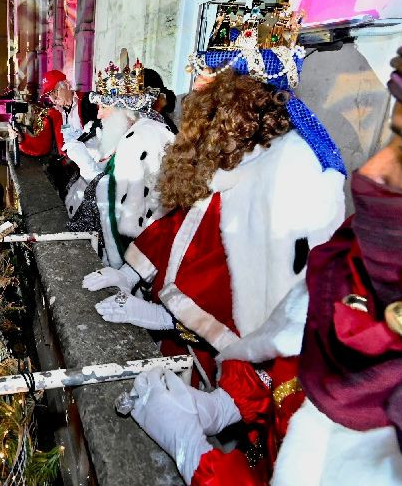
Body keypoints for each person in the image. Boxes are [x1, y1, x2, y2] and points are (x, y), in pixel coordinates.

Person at [128, 0, 402, 485]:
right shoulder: (366, 273)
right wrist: (226, 406)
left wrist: (199, 457)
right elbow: (288, 351)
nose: (372, 175)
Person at [89, 27, 346, 483]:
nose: (192, 101)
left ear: (236, 102)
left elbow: (282, 325)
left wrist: (217, 411)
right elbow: (183, 228)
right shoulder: (236, 160)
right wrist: (132, 275)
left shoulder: (288, 178)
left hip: (230, 367)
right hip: (204, 353)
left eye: (207, 88)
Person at [66, 55, 176, 267]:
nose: (99, 115)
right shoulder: (133, 133)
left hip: (137, 261)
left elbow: (133, 212)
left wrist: (91, 172)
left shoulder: (143, 139)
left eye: (103, 107)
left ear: (122, 110)